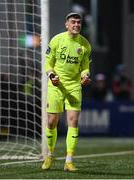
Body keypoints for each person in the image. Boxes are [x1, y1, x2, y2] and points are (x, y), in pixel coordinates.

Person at [42, 12, 91, 171]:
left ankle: (69, 160)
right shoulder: (57, 40)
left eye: (79, 22)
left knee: (73, 121)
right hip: (56, 85)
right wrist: (51, 75)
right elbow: (48, 63)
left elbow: (85, 67)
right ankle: (49, 155)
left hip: (74, 86)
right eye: (73, 22)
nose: (76, 25)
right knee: (51, 122)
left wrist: (86, 76)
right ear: (67, 24)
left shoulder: (85, 45)